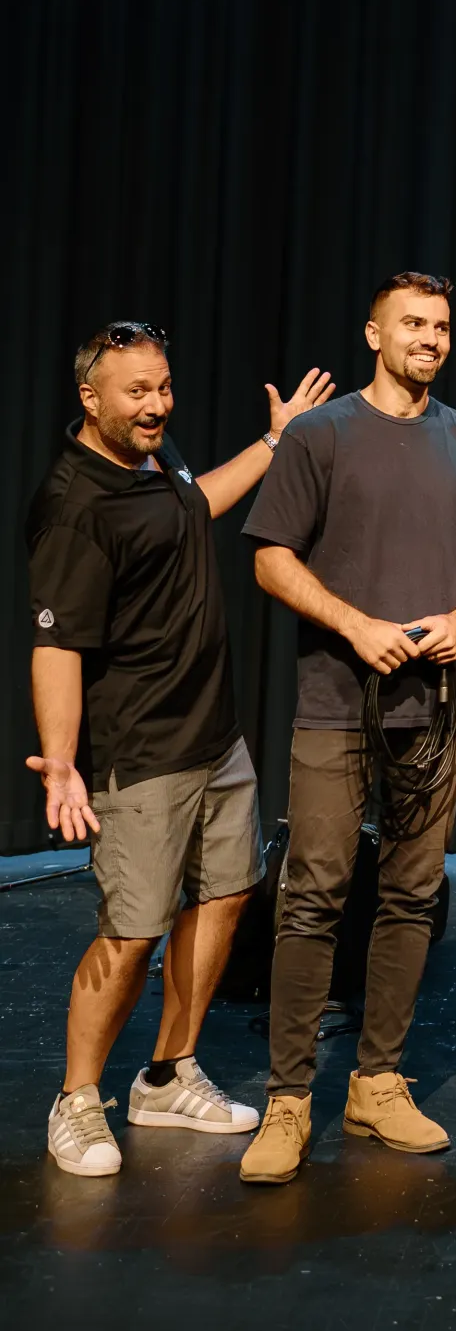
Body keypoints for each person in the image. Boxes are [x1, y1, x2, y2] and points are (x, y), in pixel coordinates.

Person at [26, 321, 332, 1177]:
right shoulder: (75, 504)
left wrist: (274, 443)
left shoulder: (158, 462)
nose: (157, 404)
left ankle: (167, 1074)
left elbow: (200, 506)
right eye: (138, 392)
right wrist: (62, 758)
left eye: (163, 386)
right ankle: (78, 1099)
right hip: (142, 752)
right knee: (131, 931)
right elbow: (56, 645)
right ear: (91, 399)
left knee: (226, 896)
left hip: (215, 735)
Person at [238, 269, 456, 1184]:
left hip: (437, 711)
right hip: (334, 707)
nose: (429, 338)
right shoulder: (322, 434)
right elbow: (270, 560)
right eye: (412, 324)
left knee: (411, 897)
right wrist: (356, 625)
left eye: (440, 326)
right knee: (311, 895)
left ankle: (377, 1081)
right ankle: (288, 1097)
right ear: (373, 333)